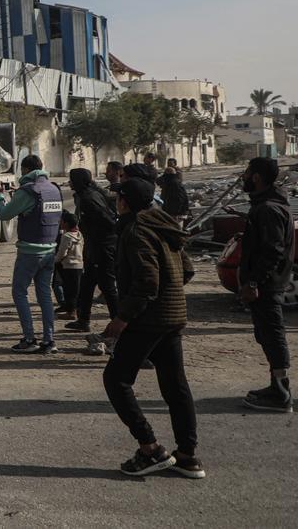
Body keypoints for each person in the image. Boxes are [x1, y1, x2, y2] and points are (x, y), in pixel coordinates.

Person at [101, 177, 202, 478]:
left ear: (125, 202)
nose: (115, 202)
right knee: (175, 387)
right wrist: (168, 296)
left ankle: (150, 448)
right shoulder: (164, 224)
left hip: (149, 320)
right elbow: (187, 269)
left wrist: (122, 319)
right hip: (172, 317)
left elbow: (147, 282)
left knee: (116, 380)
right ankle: (188, 456)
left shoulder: (136, 230)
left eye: (117, 198)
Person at [238, 157, 294, 413]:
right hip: (266, 283)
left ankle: (282, 394)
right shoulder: (267, 205)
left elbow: (272, 251)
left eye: (248, 173)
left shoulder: (268, 209)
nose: (245, 177)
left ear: (257, 177)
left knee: (273, 335)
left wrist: (253, 281)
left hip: (267, 285)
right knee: (266, 335)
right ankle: (276, 385)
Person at [0, 155, 62, 354]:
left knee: (19, 292)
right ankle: (49, 341)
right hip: (50, 250)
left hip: (29, 253)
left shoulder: (28, 191)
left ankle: (29, 338)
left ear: (25, 170)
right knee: (45, 296)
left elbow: (4, 214)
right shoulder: (53, 189)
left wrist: (0, 198)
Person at [67, 168, 120, 333]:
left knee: (108, 287)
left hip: (102, 247)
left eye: (71, 179)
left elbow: (108, 221)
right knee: (87, 284)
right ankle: (83, 320)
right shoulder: (87, 195)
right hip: (94, 247)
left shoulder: (90, 199)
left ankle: (118, 326)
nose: (69, 183)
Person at [55, 211, 84, 318]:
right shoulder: (79, 235)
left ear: (66, 224)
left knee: (68, 290)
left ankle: (71, 312)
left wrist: (55, 260)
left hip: (68, 266)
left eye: (62, 221)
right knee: (76, 290)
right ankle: (75, 310)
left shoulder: (66, 236)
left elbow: (62, 253)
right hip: (79, 265)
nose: (60, 223)